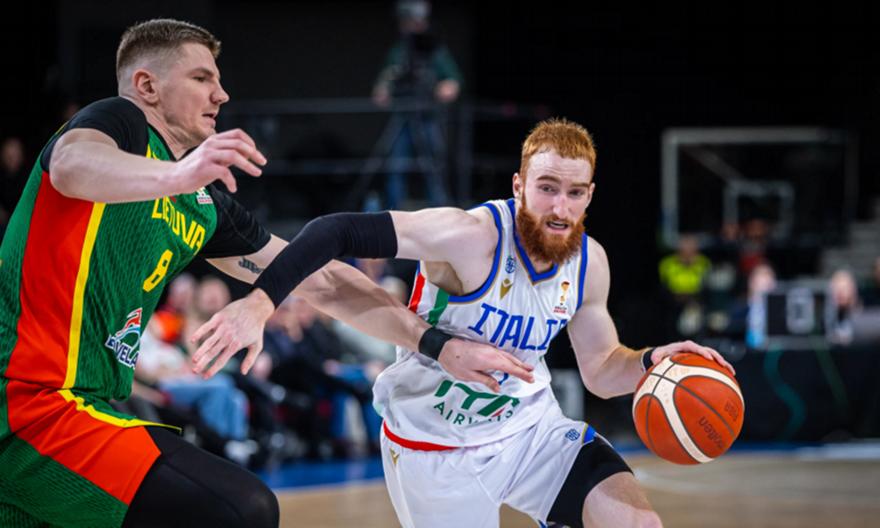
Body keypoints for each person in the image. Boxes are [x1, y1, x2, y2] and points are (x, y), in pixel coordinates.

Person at [0, 18, 526, 528]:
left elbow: (322, 282)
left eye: (219, 80)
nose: (221, 94)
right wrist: (179, 173)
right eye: (201, 78)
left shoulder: (200, 206)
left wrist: (435, 344)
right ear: (148, 86)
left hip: (82, 408)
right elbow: (70, 166)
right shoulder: (120, 122)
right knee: (241, 509)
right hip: (29, 402)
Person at [193, 118, 735, 527]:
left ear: (590, 195)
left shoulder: (589, 263)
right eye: (547, 187)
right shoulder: (469, 236)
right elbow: (335, 231)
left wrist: (649, 363)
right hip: (434, 448)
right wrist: (262, 301)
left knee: (638, 523)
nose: (559, 208)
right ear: (519, 185)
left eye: (574, 193)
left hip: (531, 432)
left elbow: (600, 369)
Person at [371, 0, 463, 209]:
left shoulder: (434, 51)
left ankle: (440, 210)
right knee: (396, 166)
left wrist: (444, 88)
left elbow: (453, 82)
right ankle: (393, 211)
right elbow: (384, 85)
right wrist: (384, 88)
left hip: (428, 116)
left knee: (433, 166)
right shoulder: (399, 52)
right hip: (403, 115)